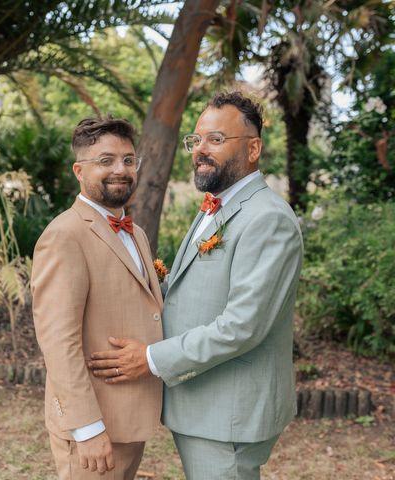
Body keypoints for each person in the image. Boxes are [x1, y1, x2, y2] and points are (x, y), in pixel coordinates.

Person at [88, 92, 303, 480]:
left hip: (229, 414)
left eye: (216, 140)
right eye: (196, 139)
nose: (200, 150)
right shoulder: (215, 205)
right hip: (204, 404)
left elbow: (243, 326)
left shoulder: (267, 219)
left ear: (253, 148)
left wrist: (151, 358)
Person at [31, 115, 164, 479]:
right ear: (79, 170)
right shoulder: (65, 235)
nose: (120, 170)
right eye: (105, 161)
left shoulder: (135, 232)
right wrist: (87, 428)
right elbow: (59, 341)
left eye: (128, 160)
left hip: (129, 416)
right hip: (95, 426)